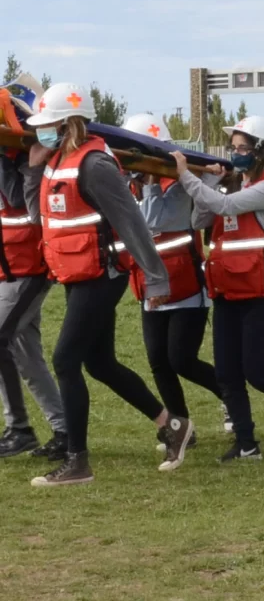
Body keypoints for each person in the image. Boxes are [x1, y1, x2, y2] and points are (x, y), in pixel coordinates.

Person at [25, 83, 193, 487]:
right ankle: (172, 426)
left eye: (48, 125)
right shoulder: (54, 160)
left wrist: (155, 278)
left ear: (69, 125)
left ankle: (77, 463)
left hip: (102, 275)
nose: (40, 132)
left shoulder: (95, 165)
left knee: (66, 359)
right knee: (98, 363)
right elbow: (38, 216)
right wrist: (34, 168)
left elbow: (133, 223)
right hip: (77, 273)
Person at [171, 116, 264, 461]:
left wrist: (187, 176)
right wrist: (212, 181)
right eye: (233, 148)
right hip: (227, 292)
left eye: (243, 148)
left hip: (262, 296)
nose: (235, 153)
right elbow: (198, 221)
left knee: (258, 372)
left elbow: (224, 207)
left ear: (261, 151)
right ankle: (246, 443)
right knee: (226, 374)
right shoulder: (229, 185)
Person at [123, 113, 225, 447]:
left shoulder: (178, 179)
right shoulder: (131, 184)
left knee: (181, 359)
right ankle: (180, 428)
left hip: (185, 284)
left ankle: (231, 397)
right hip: (150, 284)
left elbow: (156, 219)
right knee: (158, 361)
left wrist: (153, 183)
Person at [0, 82, 67, 461]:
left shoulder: (30, 159)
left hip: (30, 268)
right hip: (11, 268)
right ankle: (63, 428)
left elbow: (20, 203)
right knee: (26, 356)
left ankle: (19, 429)